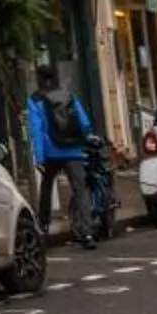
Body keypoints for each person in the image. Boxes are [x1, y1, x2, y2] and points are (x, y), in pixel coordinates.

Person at [26, 65, 96, 247]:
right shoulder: (68, 95)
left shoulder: (35, 100)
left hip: (51, 151)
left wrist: (39, 157)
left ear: (39, 79)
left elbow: (36, 130)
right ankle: (87, 233)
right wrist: (85, 140)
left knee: (47, 187)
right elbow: (84, 122)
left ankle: (43, 226)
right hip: (74, 149)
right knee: (80, 190)